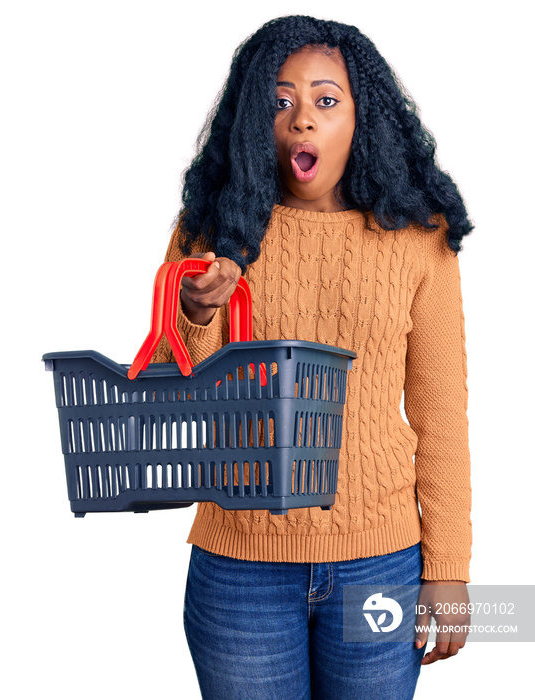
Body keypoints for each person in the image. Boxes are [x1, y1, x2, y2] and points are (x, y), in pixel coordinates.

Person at [151, 14, 473, 700]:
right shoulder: (209, 231)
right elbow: (169, 391)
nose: (302, 120)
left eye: (325, 101)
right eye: (280, 100)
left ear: (360, 117)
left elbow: (440, 413)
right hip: (240, 568)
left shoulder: (419, 238)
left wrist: (447, 565)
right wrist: (200, 309)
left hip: (379, 562)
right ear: (253, 119)